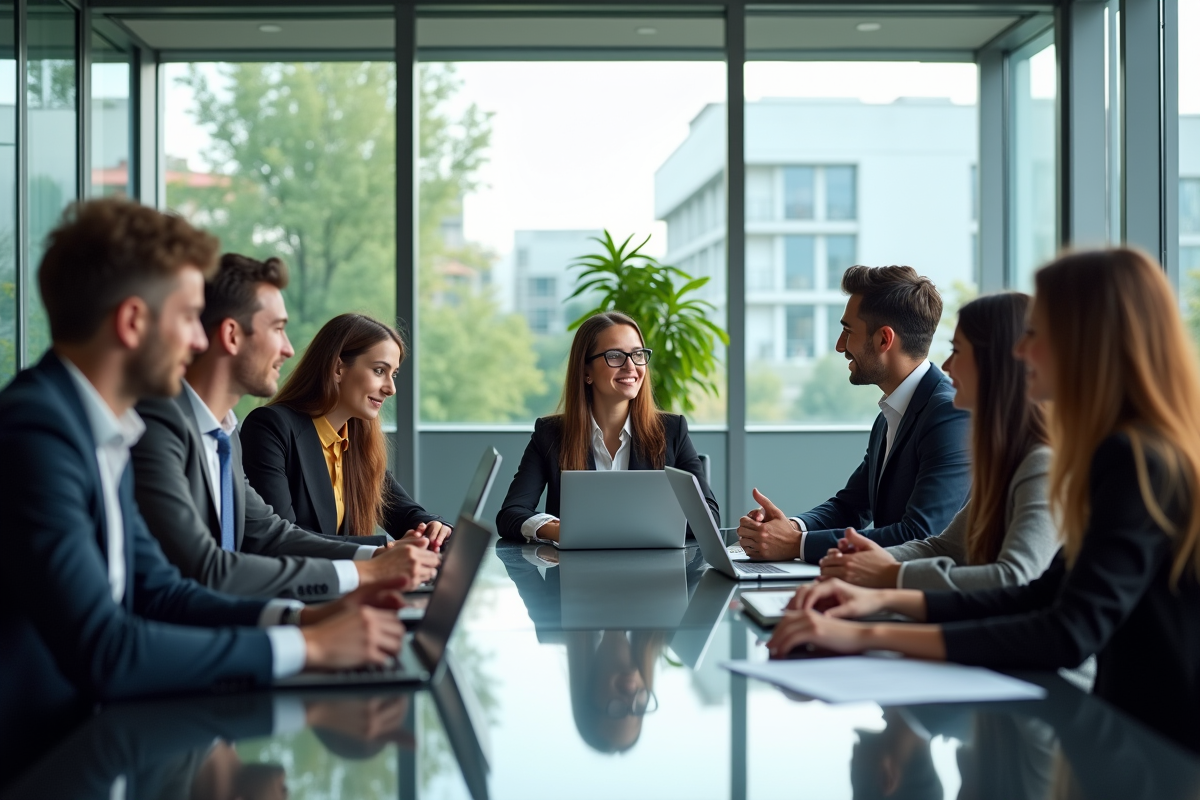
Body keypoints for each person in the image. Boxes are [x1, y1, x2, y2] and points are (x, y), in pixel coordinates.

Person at [0, 199, 408, 773]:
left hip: (106, 739)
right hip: (47, 759)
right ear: (134, 322)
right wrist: (309, 648)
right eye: (191, 318)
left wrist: (302, 620)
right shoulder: (38, 433)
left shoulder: (104, 429)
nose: (201, 341)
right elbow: (106, 649)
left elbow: (161, 590)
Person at [767, 248, 1200, 753]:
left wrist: (869, 632)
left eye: (1036, 335)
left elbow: (1064, 629)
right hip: (1129, 740)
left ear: (1087, 342)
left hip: (1159, 752)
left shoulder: (1136, 459)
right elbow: (1039, 594)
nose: (1022, 353)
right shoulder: (1117, 453)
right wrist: (876, 601)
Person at [132, 255, 439, 601]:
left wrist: (378, 556)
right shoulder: (161, 428)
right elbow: (212, 568)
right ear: (232, 335)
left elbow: (270, 534)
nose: (289, 349)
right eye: (278, 329)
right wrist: (366, 571)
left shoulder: (224, 434)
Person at [817, 292, 1056, 591]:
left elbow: (1013, 578)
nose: (946, 365)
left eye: (957, 351)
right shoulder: (1006, 462)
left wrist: (888, 576)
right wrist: (855, 561)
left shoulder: (1042, 464)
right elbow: (942, 547)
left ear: (993, 363)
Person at [737, 265, 971, 564]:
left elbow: (920, 534)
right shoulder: (892, 410)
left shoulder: (949, 415)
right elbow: (850, 507)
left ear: (884, 340)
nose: (839, 345)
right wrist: (790, 528)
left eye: (848, 331)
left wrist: (798, 544)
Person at [496, 310, 718, 543]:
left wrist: (615, 531)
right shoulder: (551, 434)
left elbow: (709, 518)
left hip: (652, 573)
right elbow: (511, 514)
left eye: (637, 354)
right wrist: (559, 531)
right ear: (586, 371)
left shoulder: (672, 430)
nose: (631, 367)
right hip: (573, 575)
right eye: (615, 356)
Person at [240, 313, 450, 548]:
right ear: (338, 368)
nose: (391, 388)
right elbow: (281, 538)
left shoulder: (356, 441)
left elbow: (406, 514)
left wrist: (433, 527)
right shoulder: (271, 428)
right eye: (379, 371)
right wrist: (382, 550)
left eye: (394, 374)